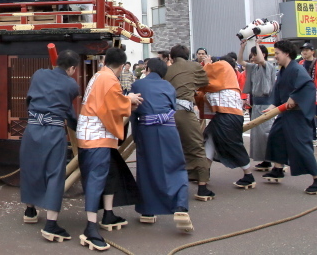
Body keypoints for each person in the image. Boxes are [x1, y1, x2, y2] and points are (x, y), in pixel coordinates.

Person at [76, 47, 141, 250]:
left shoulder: (99, 75)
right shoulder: (109, 79)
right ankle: (90, 227)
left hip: (92, 133)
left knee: (109, 174)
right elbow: (114, 105)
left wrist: (125, 101)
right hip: (97, 137)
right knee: (97, 178)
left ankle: (108, 213)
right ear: (122, 66)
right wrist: (129, 100)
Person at [20, 49, 79, 242]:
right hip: (53, 131)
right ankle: (51, 224)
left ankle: (30, 210)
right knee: (54, 174)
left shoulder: (39, 74)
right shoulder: (71, 84)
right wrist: (77, 127)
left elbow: (29, 100)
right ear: (72, 68)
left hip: (32, 127)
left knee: (31, 168)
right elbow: (69, 111)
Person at [131, 58, 193, 233]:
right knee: (176, 166)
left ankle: (147, 210)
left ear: (148, 69)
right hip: (168, 128)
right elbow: (172, 106)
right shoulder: (169, 87)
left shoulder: (138, 86)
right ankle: (180, 207)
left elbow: (133, 113)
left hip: (147, 129)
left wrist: (136, 136)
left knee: (146, 169)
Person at [262, 40, 317, 195]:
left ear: (286, 53)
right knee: (276, 137)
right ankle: (278, 169)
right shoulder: (284, 70)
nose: (275, 56)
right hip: (285, 113)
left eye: (277, 53)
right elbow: (278, 91)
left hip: (297, 114)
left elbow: (308, 86)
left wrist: (295, 97)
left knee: (300, 145)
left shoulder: (297, 69)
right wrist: (273, 105)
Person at [165, 45, 214, 201]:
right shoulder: (194, 66)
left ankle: (172, 186)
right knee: (197, 147)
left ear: (171, 58)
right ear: (187, 56)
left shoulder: (167, 70)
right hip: (185, 111)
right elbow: (204, 81)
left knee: (173, 149)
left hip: (167, 113)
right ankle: (202, 187)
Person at [200, 56, 255, 190]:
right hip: (226, 114)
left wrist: (207, 64)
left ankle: (249, 175)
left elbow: (204, 76)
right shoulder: (225, 79)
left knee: (233, 145)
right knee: (209, 140)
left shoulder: (223, 66)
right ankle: (204, 174)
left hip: (228, 115)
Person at [238, 41, 277, 171]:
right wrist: (242, 47)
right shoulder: (253, 67)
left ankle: (273, 160)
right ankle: (265, 160)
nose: (253, 57)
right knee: (258, 134)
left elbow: (261, 59)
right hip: (256, 104)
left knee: (266, 132)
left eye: (254, 54)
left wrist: (257, 44)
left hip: (266, 103)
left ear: (263, 54)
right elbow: (240, 61)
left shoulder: (269, 66)